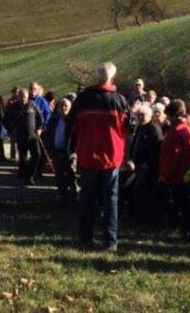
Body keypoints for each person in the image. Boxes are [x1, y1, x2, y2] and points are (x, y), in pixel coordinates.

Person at [68, 62, 131, 252]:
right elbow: (128, 128)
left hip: (88, 155)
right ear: (112, 77)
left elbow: (72, 125)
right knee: (111, 199)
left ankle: (85, 237)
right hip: (112, 157)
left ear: (96, 77)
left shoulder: (83, 99)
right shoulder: (119, 100)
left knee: (87, 197)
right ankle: (110, 241)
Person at [159, 100, 190, 238]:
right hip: (187, 171)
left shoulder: (175, 130)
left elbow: (172, 154)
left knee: (179, 203)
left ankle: (183, 229)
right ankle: (188, 229)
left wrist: (165, 173)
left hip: (176, 173)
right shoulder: (186, 128)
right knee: (185, 202)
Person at [129, 102, 164, 224]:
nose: (140, 117)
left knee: (143, 192)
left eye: (142, 115)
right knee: (138, 191)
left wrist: (149, 163)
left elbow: (157, 149)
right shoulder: (139, 128)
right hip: (138, 166)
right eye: (138, 114)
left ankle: (147, 219)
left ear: (150, 116)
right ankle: (140, 217)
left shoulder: (154, 129)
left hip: (149, 168)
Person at [46, 98, 78, 206]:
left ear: (70, 108)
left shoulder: (73, 121)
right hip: (57, 153)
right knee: (59, 177)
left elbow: (77, 138)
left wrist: (73, 151)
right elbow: (50, 134)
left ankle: (74, 198)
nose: (63, 108)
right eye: (61, 106)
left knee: (71, 176)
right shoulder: (55, 120)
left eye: (66, 106)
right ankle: (63, 198)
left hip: (69, 153)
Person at [8, 88, 43, 185]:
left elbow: (40, 117)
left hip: (33, 136)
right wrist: (11, 130)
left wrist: (39, 128)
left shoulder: (33, 104)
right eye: (21, 96)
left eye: (24, 96)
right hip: (21, 136)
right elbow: (6, 119)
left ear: (28, 97)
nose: (23, 98)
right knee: (23, 158)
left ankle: (30, 174)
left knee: (37, 154)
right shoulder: (14, 106)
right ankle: (27, 177)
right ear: (18, 97)